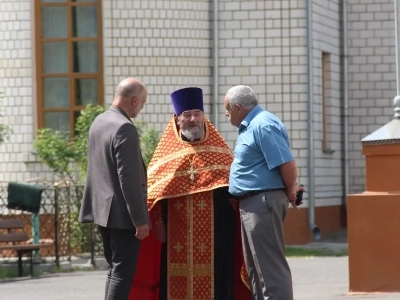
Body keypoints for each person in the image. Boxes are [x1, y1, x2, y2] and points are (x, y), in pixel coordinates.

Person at [129, 87, 252, 300]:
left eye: (197, 113)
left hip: (216, 235)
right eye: (187, 115)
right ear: (177, 119)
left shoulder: (220, 154)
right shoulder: (166, 156)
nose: (192, 119)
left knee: (218, 281)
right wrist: (158, 224)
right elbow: (153, 195)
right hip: (175, 236)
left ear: (204, 118)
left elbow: (235, 191)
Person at [224, 85, 299, 300]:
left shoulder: (263, 124)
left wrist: (291, 191)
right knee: (255, 269)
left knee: (270, 269)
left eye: (228, 108)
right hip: (252, 203)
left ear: (238, 107)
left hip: (262, 202)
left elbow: (287, 164)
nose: (226, 113)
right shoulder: (251, 126)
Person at [79, 78, 151, 300]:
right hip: (122, 216)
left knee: (114, 270)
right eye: (142, 103)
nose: (142, 107)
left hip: (102, 211)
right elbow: (128, 178)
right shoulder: (125, 127)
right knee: (122, 273)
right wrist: (140, 219)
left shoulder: (99, 121)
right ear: (135, 100)